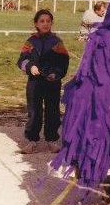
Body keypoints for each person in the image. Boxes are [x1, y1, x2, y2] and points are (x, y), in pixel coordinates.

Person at [17, 9, 70, 154]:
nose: (45, 24)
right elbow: (21, 60)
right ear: (36, 24)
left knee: (52, 111)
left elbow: (64, 62)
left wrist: (56, 73)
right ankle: (32, 140)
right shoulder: (31, 42)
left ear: (51, 23)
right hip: (34, 83)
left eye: (48, 21)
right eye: (42, 21)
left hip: (52, 82)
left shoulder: (57, 43)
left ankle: (52, 139)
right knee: (34, 111)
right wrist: (30, 66)